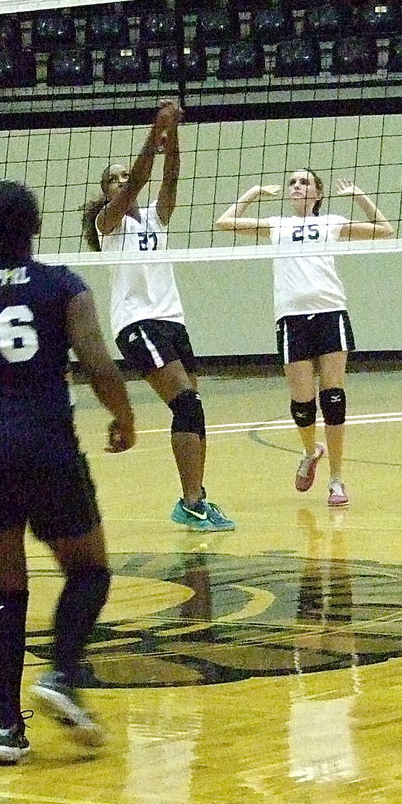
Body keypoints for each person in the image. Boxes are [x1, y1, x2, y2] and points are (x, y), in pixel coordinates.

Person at [0, 179, 136, 765]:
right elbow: (98, 364)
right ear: (36, 227)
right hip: (45, 445)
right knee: (89, 570)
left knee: (2, 590)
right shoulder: (62, 286)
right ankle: (63, 674)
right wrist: (124, 418)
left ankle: (4, 728)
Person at [80, 100, 235, 533]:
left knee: (194, 410)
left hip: (172, 321)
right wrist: (156, 130)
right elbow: (144, 178)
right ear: (106, 191)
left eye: (124, 175)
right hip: (137, 324)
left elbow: (170, 176)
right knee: (185, 403)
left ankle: (197, 499)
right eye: (114, 179)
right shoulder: (107, 224)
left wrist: (174, 135)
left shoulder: (153, 218)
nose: (122, 182)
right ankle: (190, 502)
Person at [215, 169, 395, 507]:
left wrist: (360, 197)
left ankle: (337, 481)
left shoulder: (332, 222)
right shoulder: (276, 225)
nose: (297, 186)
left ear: (318, 193)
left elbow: (385, 230)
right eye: (293, 182)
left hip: (330, 312)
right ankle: (310, 452)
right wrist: (253, 191)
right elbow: (224, 222)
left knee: (333, 398)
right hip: (291, 318)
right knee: (302, 403)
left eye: (305, 182)